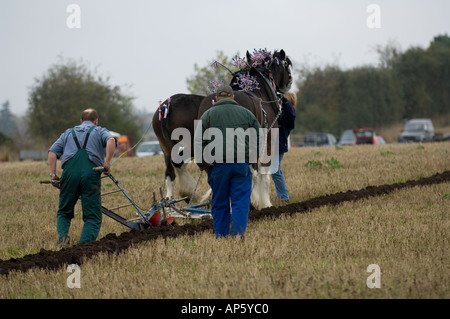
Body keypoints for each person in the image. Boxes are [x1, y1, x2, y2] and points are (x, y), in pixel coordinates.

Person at [194, 85, 261, 239]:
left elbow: (198, 141)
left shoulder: (208, 114)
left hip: (217, 167)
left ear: (216, 98)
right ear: (232, 97)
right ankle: (237, 235)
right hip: (240, 165)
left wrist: (203, 162)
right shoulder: (247, 113)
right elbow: (259, 137)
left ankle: (221, 236)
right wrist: (252, 156)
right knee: (240, 202)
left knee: (219, 203)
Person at [48, 109, 116, 245]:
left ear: (80, 121)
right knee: (92, 215)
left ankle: (63, 238)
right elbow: (111, 140)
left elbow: (52, 152)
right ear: (96, 121)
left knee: (64, 211)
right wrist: (107, 164)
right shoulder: (99, 130)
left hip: (69, 174)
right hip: (90, 173)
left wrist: (54, 175)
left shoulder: (68, 133)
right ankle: (84, 246)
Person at [271, 91, 296, 204]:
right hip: (273, 144)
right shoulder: (281, 111)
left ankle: (284, 197)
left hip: (278, 145)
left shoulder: (289, 112)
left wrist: (286, 102)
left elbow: (290, 115)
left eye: (285, 98)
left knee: (275, 170)